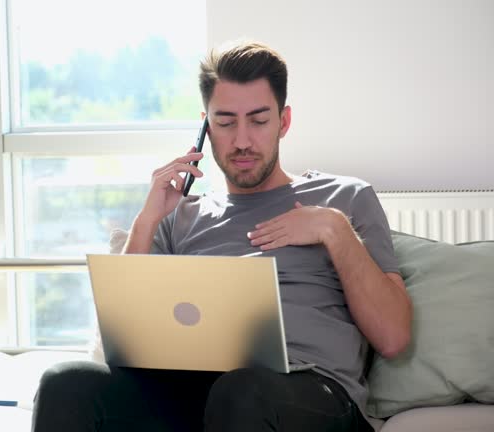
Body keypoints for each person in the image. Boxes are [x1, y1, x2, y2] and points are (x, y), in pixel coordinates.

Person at [31, 41, 412, 432]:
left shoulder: (345, 198)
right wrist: (146, 221)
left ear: (284, 121)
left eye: (259, 121)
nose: (242, 140)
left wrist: (334, 229)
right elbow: (117, 345)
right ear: (206, 126)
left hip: (312, 396)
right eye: (226, 122)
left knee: (241, 391)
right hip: (194, 394)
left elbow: (393, 336)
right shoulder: (179, 217)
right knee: (65, 382)